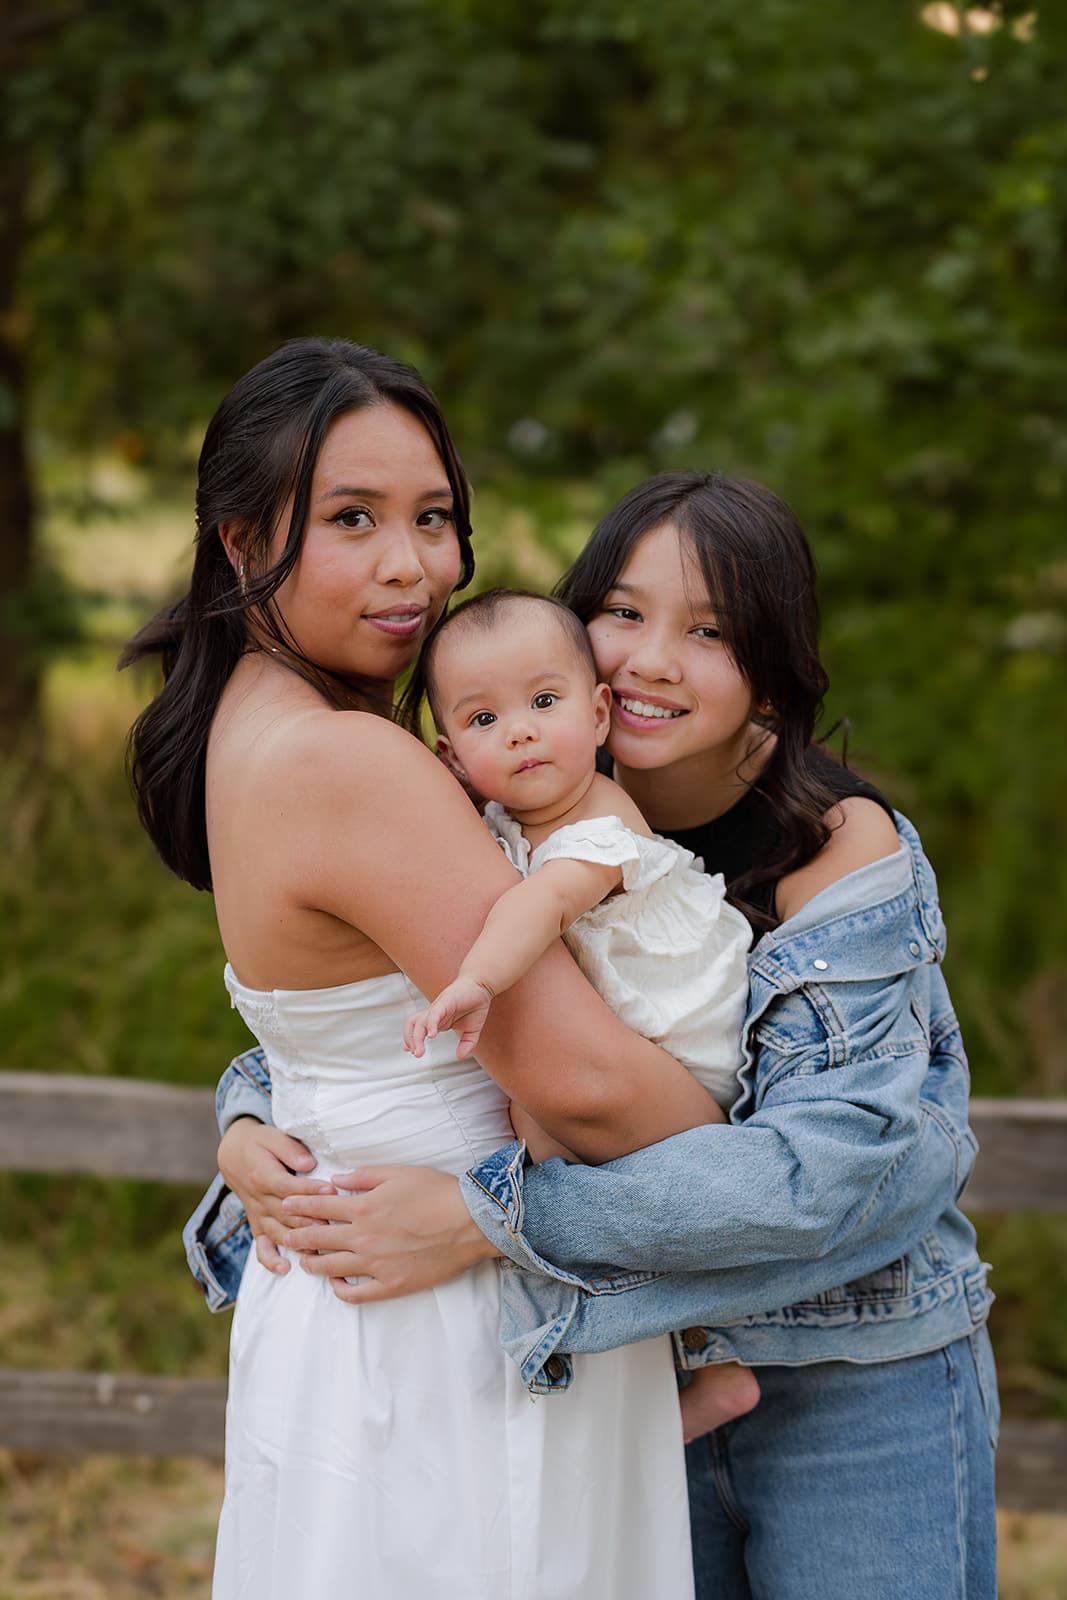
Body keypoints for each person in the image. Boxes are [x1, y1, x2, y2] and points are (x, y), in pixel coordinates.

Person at [196, 470, 998, 1600]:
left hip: (844, 1377)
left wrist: (489, 1222)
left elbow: (831, 1175)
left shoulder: (839, 846)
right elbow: (389, 1027)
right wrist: (244, 1119)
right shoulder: (510, 809)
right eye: (621, 613)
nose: (648, 659)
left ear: (769, 667)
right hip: (628, 1371)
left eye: (708, 629)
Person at [127, 341, 721, 1599]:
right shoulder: (355, 762)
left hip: (369, 1323)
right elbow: (587, 1087)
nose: (416, 567)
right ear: (240, 544)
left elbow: (337, 1037)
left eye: (434, 517)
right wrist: (762, 1146)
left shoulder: (255, 723)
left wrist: (245, 1115)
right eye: (354, 519)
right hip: (454, 1335)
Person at [404, 586, 760, 1438]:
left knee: (539, 1116)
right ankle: (699, 1349)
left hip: (685, 1038)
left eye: (543, 701)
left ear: (599, 715)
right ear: (450, 756)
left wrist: (477, 981)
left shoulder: (596, 819)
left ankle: (701, 1356)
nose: (519, 729)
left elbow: (542, 906)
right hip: (638, 1030)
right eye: (484, 721)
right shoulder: (500, 817)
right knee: (534, 1114)